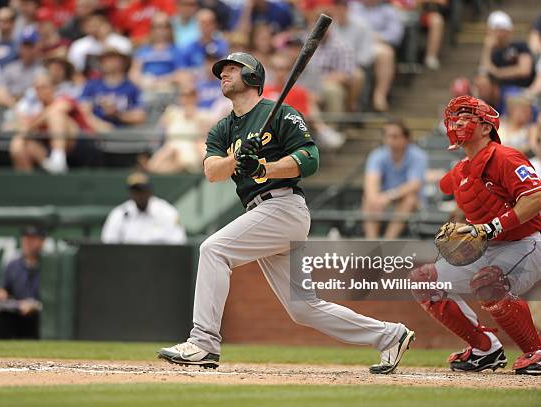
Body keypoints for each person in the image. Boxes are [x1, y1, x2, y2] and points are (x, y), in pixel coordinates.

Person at [157, 52, 415, 373]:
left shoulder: (279, 114)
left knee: (213, 249)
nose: (223, 75)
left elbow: (310, 159)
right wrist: (238, 160)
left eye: (232, 70)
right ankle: (390, 336)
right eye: (222, 71)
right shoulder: (224, 127)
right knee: (304, 308)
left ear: (252, 77)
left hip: (283, 206)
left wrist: (264, 165)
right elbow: (212, 171)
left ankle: (204, 342)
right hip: (262, 212)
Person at [410, 95, 541, 375]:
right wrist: (458, 226)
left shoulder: (506, 156)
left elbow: (535, 198)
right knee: (424, 281)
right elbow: (461, 196)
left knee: (488, 282)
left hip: (529, 240)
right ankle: (485, 350)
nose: (458, 122)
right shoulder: (461, 171)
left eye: (466, 117)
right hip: (490, 246)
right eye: (455, 117)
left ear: (486, 128)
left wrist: (491, 226)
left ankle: (536, 352)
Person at [362, 119, 428, 239]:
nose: (390, 140)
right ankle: (371, 243)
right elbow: (371, 182)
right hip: (384, 200)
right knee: (369, 200)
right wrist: (375, 199)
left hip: (409, 201)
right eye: (387, 136)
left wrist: (389, 196)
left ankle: (388, 243)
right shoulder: (377, 155)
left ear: (406, 139)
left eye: (395, 136)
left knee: (410, 199)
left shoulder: (418, 155)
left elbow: (414, 185)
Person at [0, 226, 45, 340]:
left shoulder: (51, 263)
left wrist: (34, 305)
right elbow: (5, 288)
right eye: (26, 238)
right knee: (3, 317)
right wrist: (1, 293)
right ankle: (1, 355)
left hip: (40, 315)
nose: (28, 242)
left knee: (39, 318)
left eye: (33, 238)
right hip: (18, 312)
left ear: (42, 241)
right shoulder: (13, 264)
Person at [101, 172, 186, 244]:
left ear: (149, 192)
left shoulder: (166, 212)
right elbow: (108, 244)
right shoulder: (119, 214)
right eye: (135, 191)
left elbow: (178, 242)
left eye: (142, 190)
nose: (139, 195)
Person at [146, 84, 213, 173]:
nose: (187, 98)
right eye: (183, 95)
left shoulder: (204, 114)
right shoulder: (172, 112)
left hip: (193, 147)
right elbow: (161, 129)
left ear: (196, 97)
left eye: (190, 95)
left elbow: (206, 136)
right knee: (153, 166)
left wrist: (195, 116)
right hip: (172, 147)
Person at [475, 11, 535, 110]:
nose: (497, 34)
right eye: (495, 31)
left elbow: (524, 70)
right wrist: (487, 48)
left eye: (500, 30)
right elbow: (485, 72)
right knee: (480, 84)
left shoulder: (519, 46)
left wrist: (498, 73)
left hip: (521, 90)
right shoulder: (495, 54)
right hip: (499, 93)